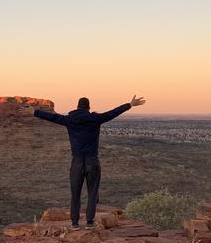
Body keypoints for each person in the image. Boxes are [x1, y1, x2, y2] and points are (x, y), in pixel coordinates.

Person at [34, 95, 147, 228]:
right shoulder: (95, 119)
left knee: (75, 194)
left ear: (77, 107)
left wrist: (35, 112)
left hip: (76, 161)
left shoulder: (69, 119)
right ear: (88, 107)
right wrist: (129, 105)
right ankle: (89, 222)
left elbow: (52, 117)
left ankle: (75, 224)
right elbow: (112, 113)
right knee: (92, 192)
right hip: (92, 161)